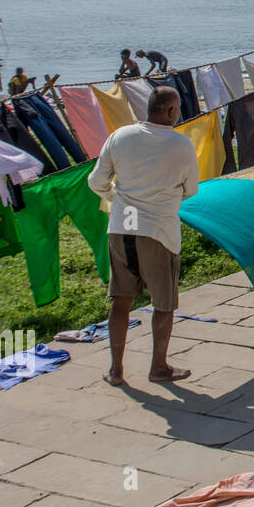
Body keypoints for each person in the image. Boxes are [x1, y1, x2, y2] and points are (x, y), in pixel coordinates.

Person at [87, 86, 199, 386]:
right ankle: (158, 367)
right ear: (171, 112)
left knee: (120, 301)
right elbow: (191, 190)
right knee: (163, 303)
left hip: (122, 226)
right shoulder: (181, 145)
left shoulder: (120, 136)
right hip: (158, 232)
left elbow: (96, 181)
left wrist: (116, 195)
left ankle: (115, 370)